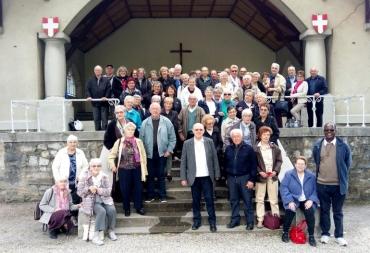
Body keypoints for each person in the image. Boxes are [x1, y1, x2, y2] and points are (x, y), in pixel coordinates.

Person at [312, 122, 352, 246]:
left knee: (338, 211)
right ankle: (325, 233)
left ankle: (339, 235)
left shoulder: (343, 146)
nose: (329, 132)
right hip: (322, 184)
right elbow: (316, 160)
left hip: (338, 185)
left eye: (331, 130)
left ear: (335, 131)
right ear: (323, 131)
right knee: (324, 210)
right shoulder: (318, 145)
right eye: (326, 130)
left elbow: (347, 163)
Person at [180, 123, 220, 232]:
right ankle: (196, 221)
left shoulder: (209, 141)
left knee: (209, 200)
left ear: (203, 131)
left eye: (200, 129)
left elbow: (215, 159)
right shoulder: (187, 143)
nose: (198, 131)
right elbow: (183, 162)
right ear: (192, 131)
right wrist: (183, 177)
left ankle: (212, 222)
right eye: (196, 129)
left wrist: (217, 173)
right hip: (194, 177)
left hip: (207, 176)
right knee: (195, 201)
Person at [108, 122, 147, 216]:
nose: (130, 131)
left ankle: (139, 207)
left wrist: (144, 169)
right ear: (124, 131)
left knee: (138, 188)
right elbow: (111, 156)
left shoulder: (138, 141)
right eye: (128, 129)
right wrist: (112, 165)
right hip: (123, 169)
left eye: (132, 130)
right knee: (125, 189)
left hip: (137, 168)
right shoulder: (119, 142)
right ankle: (126, 208)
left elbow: (143, 156)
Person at [140, 103, 177, 203]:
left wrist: (169, 150)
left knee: (161, 175)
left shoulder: (167, 122)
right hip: (149, 153)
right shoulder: (145, 123)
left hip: (162, 153)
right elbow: (141, 140)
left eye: (157, 109)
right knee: (150, 175)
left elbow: (173, 138)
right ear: (150, 110)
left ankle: (162, 196)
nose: (155, 111)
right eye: (153, 109)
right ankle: (150, 196)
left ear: (160, 110)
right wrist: (143, 153)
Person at [280, 156, 319, 247]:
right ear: (295, 164)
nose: (300, 166)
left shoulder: (311, 176)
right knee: (290, 210)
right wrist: (289, 200)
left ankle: (311, 236)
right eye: (298, 164)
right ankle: (285, 232)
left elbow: (316, 190)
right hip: (294, 199)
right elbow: (283, 188)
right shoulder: (289, 174)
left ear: (305, 165)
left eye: (302, 164)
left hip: (307, 200)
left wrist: (311, 200)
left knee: (310, 212)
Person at [77, 159, 117, 246]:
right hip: (91, 201)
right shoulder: (84, 177)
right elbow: (79, 192)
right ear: (90, 167)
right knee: (101, 211)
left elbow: (108, 191)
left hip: (105, 199)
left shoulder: (104, 176)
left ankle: (111, 230)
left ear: (101, 167)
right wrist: (88, 189)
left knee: (112, 210)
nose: (96, 168)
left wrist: (99, 190)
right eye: (94, 166)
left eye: (98, 166)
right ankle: (96, 236)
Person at [224, 129, 257, 230]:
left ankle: (250, 222)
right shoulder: (228, 149)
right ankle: (235, 220)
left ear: (241, 137)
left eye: (238, 136)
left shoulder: (249, 149)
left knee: (247, 200)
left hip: (245, 178)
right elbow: (225, 164)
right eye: (234, 136)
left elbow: (253, 165)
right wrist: (226, 177)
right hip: (231, 178)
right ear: (231, 138)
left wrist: (251, 180)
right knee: (234, 200)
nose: (236, 138)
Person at [52, 135, 89, 215]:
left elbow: (86, 166)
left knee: (75, 199)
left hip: (76, 181)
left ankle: (73, 216)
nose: (73, 144)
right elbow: (55, 167)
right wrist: (58, 180)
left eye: (75, 142)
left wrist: (81, 175)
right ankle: (64, 217)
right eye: (71, 142)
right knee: (64, 199)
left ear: (77, 143)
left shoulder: (80, 152)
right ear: (67, 143)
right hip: (64, 181)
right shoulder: (61, 152)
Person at [255, 126, 282, 228]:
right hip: (261, 177)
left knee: (273, 199)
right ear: (260, 135)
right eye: (264, 134)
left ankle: (276, 219)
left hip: (272, 176)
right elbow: (253, 163)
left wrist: (275, 171)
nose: (266, 137)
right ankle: (260, 220)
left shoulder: (274, 147)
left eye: (268, 135)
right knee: (260, 199)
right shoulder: (255, 148)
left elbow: (279, 160)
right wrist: (260, 172)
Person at [86, 65, 111, 130]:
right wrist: (89, 96)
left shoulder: (106, 80)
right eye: (96, 70)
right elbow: (87, 89)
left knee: (104, 119)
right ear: (94, 71)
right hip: (95, 103)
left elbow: (108, 89)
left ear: (101, 71)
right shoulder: (90, 80)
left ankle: (104, 134)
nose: (98, 71)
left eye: (99, 70)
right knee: (96, 119)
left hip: (104, 103)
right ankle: (97, 133)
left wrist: (106, 97)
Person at [161, 97, 180, 181]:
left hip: (170, 136)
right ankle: (162, 172)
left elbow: (176, 125)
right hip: (161, 136)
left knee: (169, 154)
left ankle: (168, 172)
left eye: (170, 103)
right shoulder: (160, 112)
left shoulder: (175, 113)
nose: (168, 105)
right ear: (164, 104)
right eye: (166, 103)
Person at [264, 63, 286, 128]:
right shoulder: (268, 77)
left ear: (278, 70)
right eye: (273, 68)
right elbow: (265, 85)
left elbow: (282, 89)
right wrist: (266, 86)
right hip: (268, 99)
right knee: (269, 115)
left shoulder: (281, 78)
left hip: (277, 99)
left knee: (277, 115)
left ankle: (279, 129)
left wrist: (272, 89)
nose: (274, 69)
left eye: (275, 68)